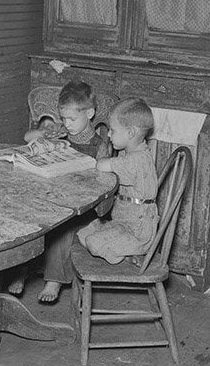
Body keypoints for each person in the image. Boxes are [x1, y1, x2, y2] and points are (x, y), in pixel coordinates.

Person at [9, 81, 111, 303]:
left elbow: (105, 181)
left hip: (82, 206)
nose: (68, 124)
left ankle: (54, 280)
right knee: (27, 217)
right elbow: (28, 137)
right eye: (64, 118)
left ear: (90, 113)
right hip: (53, 197)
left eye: (72, 119)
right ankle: (20, 271)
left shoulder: (99, 145)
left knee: (62, 228)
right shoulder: (63, 134)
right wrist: (48, 132)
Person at [76, 97, 159, 264]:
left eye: (113, 131)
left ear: (130, 133)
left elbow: (102, 165)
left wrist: (100, 157)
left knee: (92, 242)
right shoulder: (129, 153)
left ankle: (129, 256)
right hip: (123, 222)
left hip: (137, 231)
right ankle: (120, 251)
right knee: (83, 233)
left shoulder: (136, 161)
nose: (109, 134)